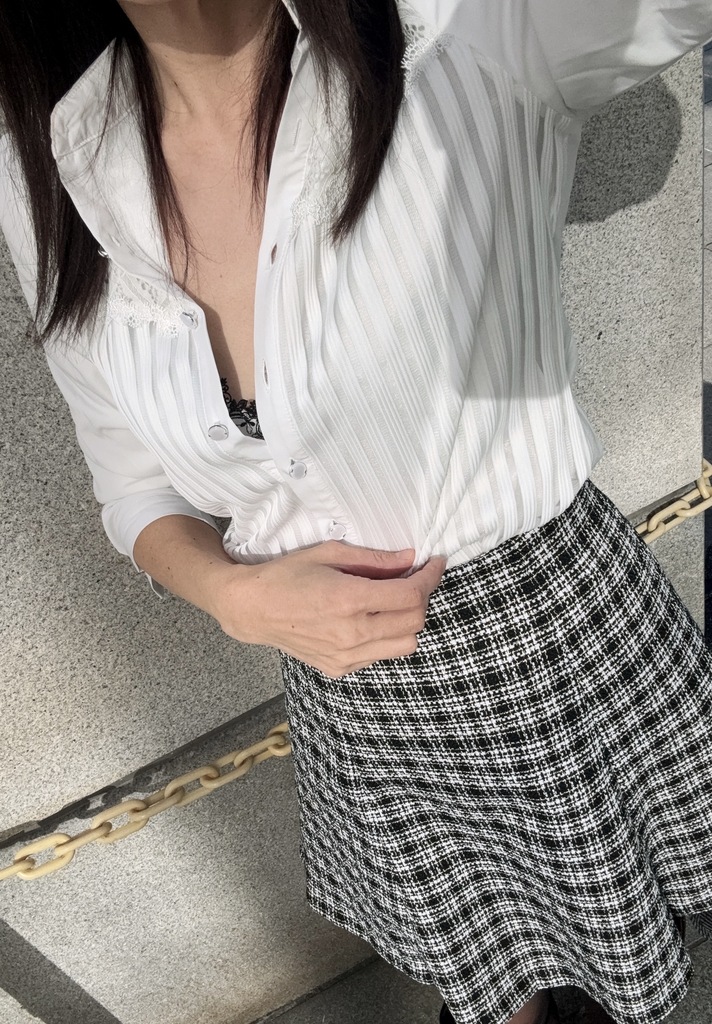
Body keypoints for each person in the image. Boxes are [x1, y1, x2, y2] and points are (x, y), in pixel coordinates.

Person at [2, 1, 712, 1022]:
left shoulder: (457, 33)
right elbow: (132, 484)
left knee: (619, 945)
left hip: (551, 640)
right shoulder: (48, 162)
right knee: (487, 974)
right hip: (358, 703)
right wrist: (232, 596)